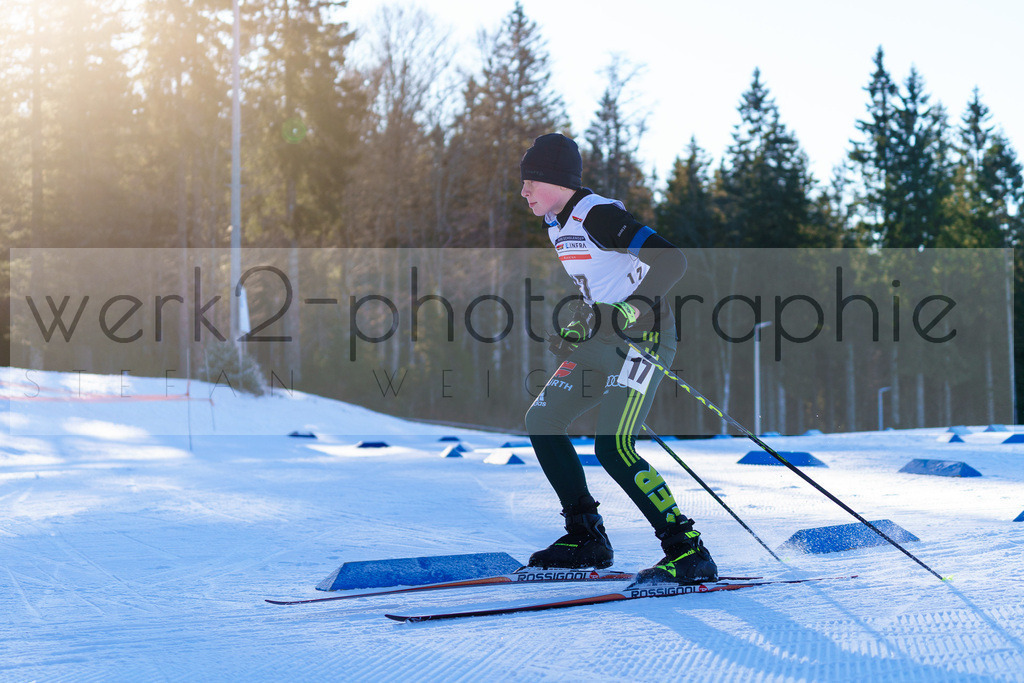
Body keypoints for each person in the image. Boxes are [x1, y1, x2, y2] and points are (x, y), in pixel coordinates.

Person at [520, 132, 717, 585]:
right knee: (543, 420)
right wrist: (580, 326)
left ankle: (687, 550)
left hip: (644, 338)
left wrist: (628, 310)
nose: (524, 191)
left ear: (554, 179)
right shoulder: (556, 224)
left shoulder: (598, 215)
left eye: (530, 181)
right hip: (604, 341)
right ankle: (586, 537)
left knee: (612, 445)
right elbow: (602, 286)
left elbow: (670, 261)